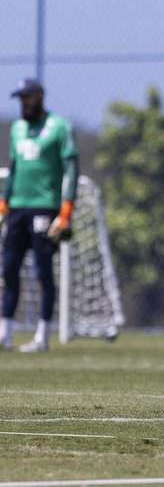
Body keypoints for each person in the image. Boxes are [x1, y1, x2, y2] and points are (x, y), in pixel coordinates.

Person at [0, 78, 78, 353]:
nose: (24, 103)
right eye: (20, 98)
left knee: (43, 272)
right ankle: (4, 333)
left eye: (28, 97)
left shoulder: (59, 126)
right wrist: (4, 202)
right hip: (17, 208)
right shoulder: (17, 129)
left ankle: (42, 336)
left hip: (45, 206)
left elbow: (71, 168)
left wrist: (66, 210)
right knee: (9, 269)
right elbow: (14, 168)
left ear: (40, 96)